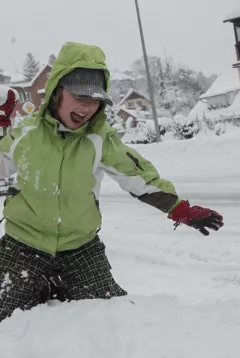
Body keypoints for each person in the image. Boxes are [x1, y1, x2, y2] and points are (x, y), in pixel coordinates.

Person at [0, 42, 224, 322]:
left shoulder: (101, 140)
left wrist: (178, 208)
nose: (87, 106)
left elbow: (138, 175)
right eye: (79, 96)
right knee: (6, 317)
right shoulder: (26, 134)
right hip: (23, 243)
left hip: (80, 246)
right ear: (57, 91)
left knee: (111, 317)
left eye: (94, 99)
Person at [0, 85, 18, 195]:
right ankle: (4, 179)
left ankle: (3, 180)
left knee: (3, 153)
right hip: (4, 128)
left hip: (3, 129)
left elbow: (13, 97)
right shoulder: (8, 93)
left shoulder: (6, 92)